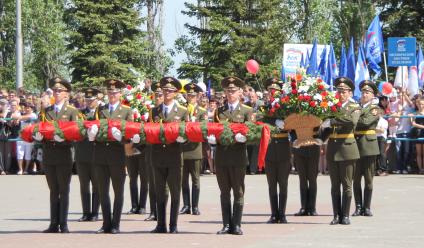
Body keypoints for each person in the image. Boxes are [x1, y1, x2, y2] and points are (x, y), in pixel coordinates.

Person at [33, 77, 79, 233]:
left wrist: (64, 138)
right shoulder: (47, 111)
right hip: (49, 154)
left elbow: (77, 134)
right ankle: (53, 223)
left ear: (66, 93)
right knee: (53, 189)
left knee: (64, 189)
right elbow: (39, 128)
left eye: (60, 91)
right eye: (55, 91)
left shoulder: (72, 111)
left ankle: (63, 223)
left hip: (65, 154)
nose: (57, 93)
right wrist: (37, 137)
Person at [210, 76, 253, 235]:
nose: (230, 93)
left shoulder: (247, 110)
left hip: (238, 156)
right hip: (222, 156)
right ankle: (226, 224)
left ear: (240, 92)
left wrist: (246, 138)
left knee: (238, 191)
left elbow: (254, 133)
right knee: (224, 191)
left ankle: (237, 224)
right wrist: (212, 138)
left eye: (233, 91)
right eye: (228, 91)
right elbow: (213, 129)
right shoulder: (219, 111)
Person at [89, 79, 133, 234]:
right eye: (109, 92)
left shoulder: (127, 111)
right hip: (100, 154)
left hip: (117, 155)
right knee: (102, 190)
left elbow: (131, 135)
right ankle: (106, 223)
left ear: (120, 94)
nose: (112, 94)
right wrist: (91, 134)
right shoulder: (100, 109)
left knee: (118, 191)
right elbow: (93, 126)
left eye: (115, 92)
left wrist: (121, 137)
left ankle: (116, 224)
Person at [149, 77, 188, 234]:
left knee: (175, 192)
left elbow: (188, 132)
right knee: (159, 192)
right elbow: (150, 130)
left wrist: (183, 139)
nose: (167, 93)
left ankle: (173, 225)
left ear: (176, 92)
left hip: (174, 155)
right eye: (165, 90)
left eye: (170, 91)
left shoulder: (183, 111)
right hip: (157, 156)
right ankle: (160, 225)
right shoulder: (154, 111)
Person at [321, 77, 361, 225]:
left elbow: (351, 122)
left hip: (347, 148)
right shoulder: (333, 107)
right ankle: (336, 215)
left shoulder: (354, 107)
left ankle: (345, 215)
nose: (341, 94)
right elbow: (326, 127)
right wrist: (320, 137)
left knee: (347, 184)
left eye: (344, 91)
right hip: (333, 148)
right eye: (338, 91)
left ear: (350, 93)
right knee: (334, 185)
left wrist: (331, 121)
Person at [261, 78, 291, 224]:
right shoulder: (264, 106)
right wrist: (274, 122)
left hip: (284, 146)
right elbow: (260, 120)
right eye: (270, 91)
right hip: (270, 146)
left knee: (283, 183)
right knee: (272, 183)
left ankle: (283, 214)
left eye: (275, 91)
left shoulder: (286, 106)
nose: (272, 93)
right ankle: (274, 214)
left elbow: (292, 121)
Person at [352, 80, 381, 217]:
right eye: (363, 92)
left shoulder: (375, 109)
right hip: (355, 147)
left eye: (367, 92)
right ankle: (358, 206)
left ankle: (367, 207)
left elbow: (366, 122)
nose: (364, 94)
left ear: (373, 95)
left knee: (369, 180)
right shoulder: (355, 107)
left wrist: (353, 119)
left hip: (369, 147)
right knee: (356, 179)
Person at [179, 82, 206, 216]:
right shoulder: (182, 110)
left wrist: (194, 124)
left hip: (195, 148)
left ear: (198, 96)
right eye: (189, 95)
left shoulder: (202, 111)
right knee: (183, 179)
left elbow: (204, 129)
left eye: (193, 95)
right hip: (183, 148)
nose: (191, 98)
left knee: (195, 179)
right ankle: (186, 205)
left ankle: (195, 206)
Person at [74, 88, 100, 222]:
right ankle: (86, 213)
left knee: (97, 185)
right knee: (84, 185)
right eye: (88, 100)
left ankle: (95, 212)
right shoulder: (79, 113)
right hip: (82, 154)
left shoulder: (100, 113)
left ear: (97, 100)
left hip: (96, 154)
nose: (90, 102)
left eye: (92, 100)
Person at [411, 96, 424, 174]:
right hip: (418, 133)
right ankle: (420, 169)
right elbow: (413, 123)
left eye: (422, 104)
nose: (421, 105)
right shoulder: (415, 113)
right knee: (419, 153)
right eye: (419, 104)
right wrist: (422, 127)